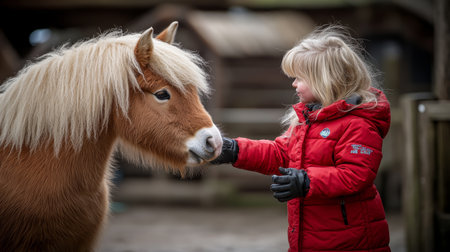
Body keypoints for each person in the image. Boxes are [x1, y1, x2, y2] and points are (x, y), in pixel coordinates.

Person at [212, 25, 391, 251]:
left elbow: (356, 174)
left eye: (299, 78)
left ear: (325, 79)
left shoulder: (358, 123)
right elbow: (280, 154)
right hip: (308, 238)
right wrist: (235, 150)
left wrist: (306, 181)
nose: (294, 84)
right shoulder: (308, 120)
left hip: (351, 241)